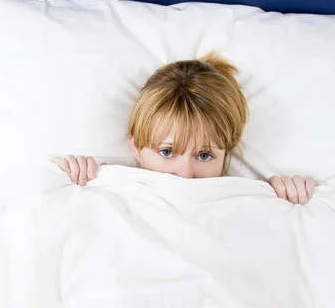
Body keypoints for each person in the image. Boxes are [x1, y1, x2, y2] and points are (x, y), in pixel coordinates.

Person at [54, 52, 317, 205]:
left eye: (204, 156)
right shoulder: (107, 187)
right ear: (135, 145)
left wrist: (287, 194)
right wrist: (71, 173)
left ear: (227, 152)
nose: (185, 175)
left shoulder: (248, 198)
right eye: (167, 152)